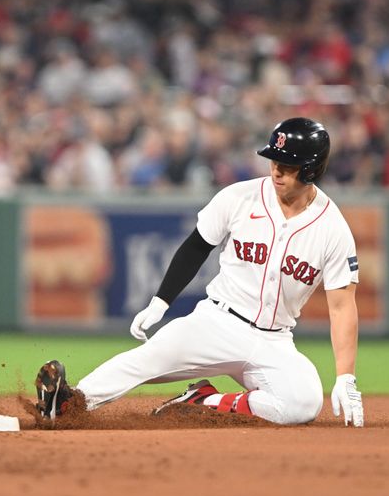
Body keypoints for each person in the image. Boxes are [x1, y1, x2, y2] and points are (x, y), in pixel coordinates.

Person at [35, 117, 365, 427]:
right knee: (148, 359)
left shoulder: (332, 228)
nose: (277, 171)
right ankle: (68, 403)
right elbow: (196, 247)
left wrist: (345, 377)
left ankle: (203, 401)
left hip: (274, 339)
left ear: (310, 169)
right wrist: (160, 302)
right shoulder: (239, 197)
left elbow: (341, 306)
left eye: (287, 165)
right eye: (274, 160)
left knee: (304, 404)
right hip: (217, 323)